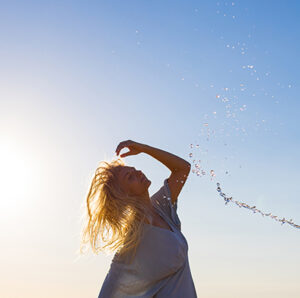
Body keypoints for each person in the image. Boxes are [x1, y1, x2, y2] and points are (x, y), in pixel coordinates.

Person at [80, 140, 197, 297]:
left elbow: (182, 169)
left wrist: (144, 148)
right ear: (124, 194)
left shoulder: (160, 207)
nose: (138, 172)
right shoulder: (134, 239)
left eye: (134, 169)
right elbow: (112, 287)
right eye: (130, 177)